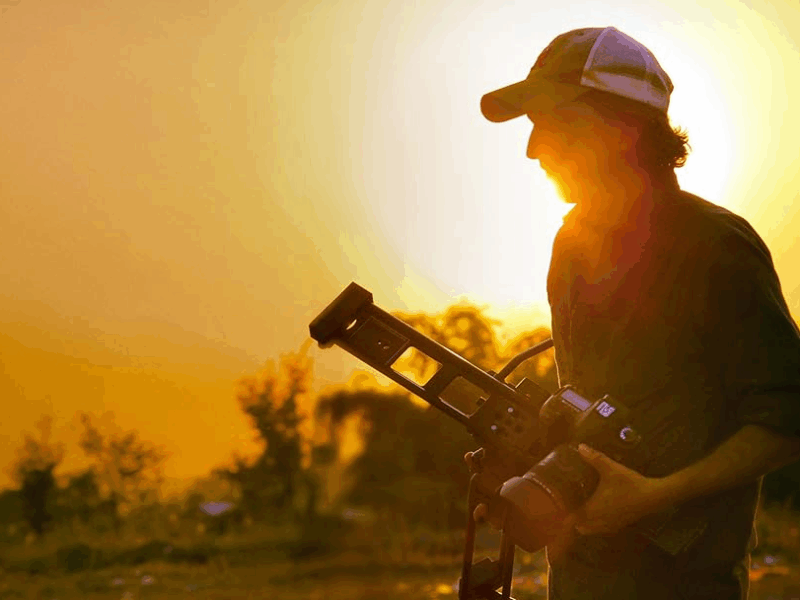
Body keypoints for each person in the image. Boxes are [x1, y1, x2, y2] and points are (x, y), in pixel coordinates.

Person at [466, 26, 800, 599]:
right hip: (579, 580)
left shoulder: (717, 245)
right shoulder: (571, 244)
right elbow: (585, 409)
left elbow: (788, 418)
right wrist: (530, 478)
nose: (533, 148)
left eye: (550, 123)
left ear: (620, 125)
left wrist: (654, 497)